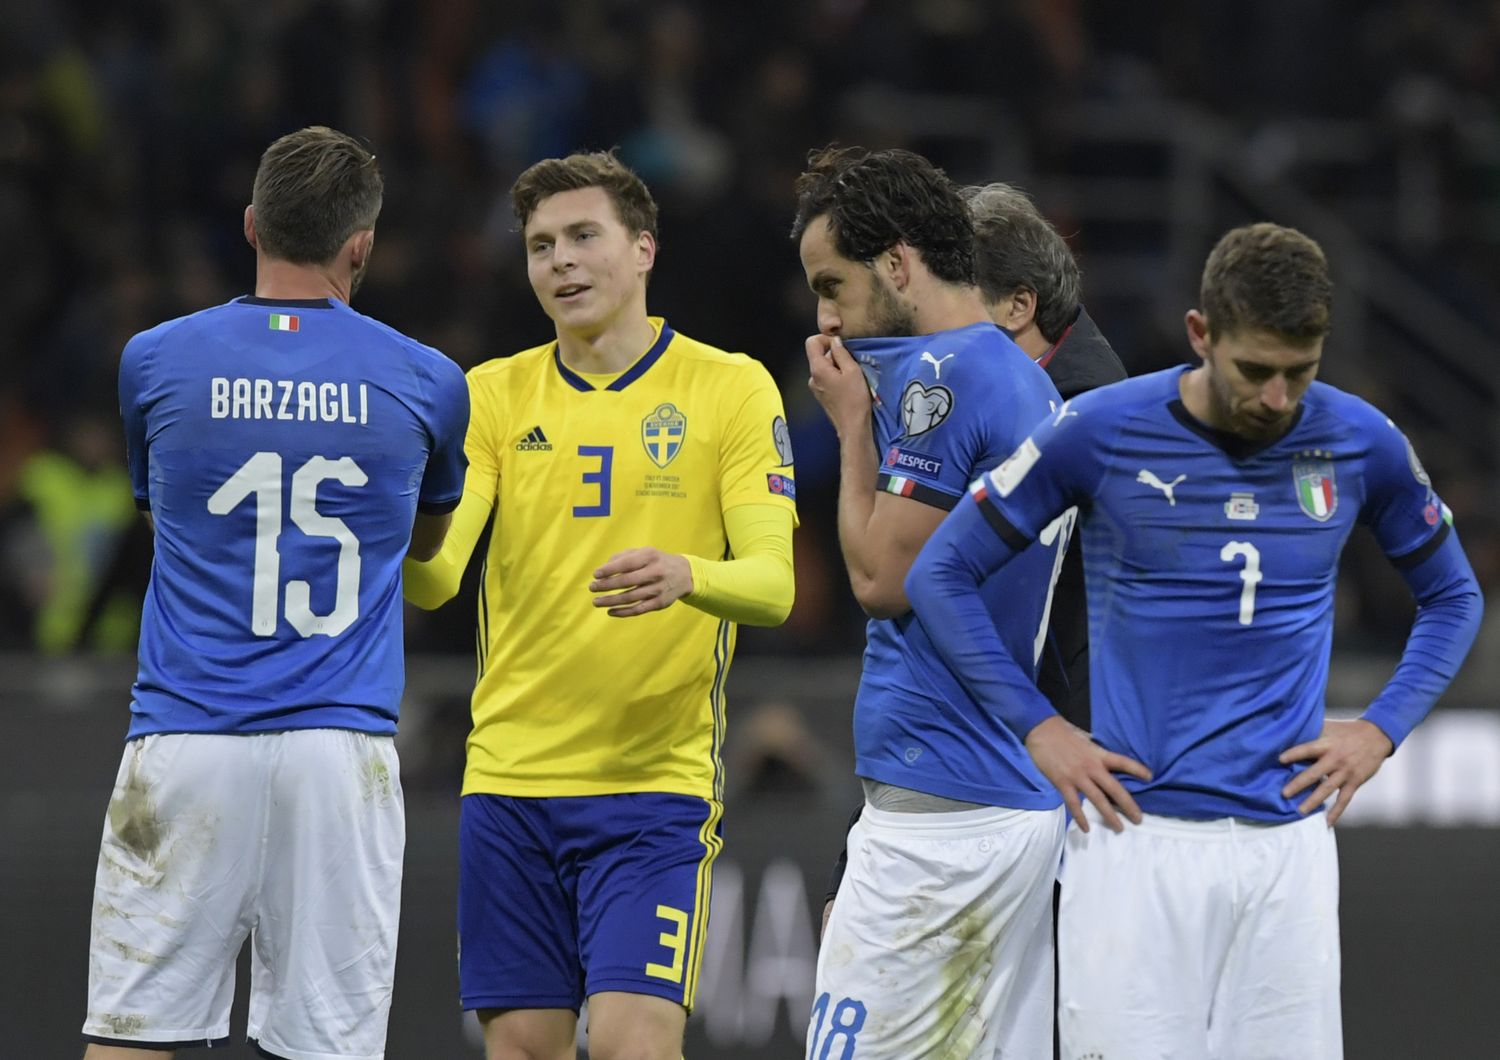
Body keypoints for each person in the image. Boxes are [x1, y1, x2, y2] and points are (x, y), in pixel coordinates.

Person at [907, 222, 1484, 1059]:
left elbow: (1454, 596)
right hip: (1135, 843)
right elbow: (939, 574)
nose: (1279, 399)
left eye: (1301, 373)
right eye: (1256, 371)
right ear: (1200, 335)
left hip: (1287, 854)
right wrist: (1041, 729)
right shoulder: (1098, 430)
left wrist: (1380, 729)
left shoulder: (1362, 442)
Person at [82, 126, 470, 1060]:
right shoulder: (430, 383)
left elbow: (162, 515)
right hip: (340, 756)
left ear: (252, 225)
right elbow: (424, 544)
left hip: (187, 736)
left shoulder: (154, 360)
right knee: (328, 1048)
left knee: (131, 1037)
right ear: (361, 246)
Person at [402, 150, 796, 1060]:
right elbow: (438, 579)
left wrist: (689, 574)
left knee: (631, 1045)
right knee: (525, 1050)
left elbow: (773, 586)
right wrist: (385, 523)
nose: (561, 262)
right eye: (541, 246)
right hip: (512, 782)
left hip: (653, 788)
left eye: (584, 236)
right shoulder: (490, 396)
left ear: (645, 249)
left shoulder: (727, 387)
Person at [794, 145, 1140, 1059]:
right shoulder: (1015, 375)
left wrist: (852, 429)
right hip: (987, 807)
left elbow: (880, 579)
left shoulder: (950, 377)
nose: (826, 317)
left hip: (940, 821)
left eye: (834, 285)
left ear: (898, 265)